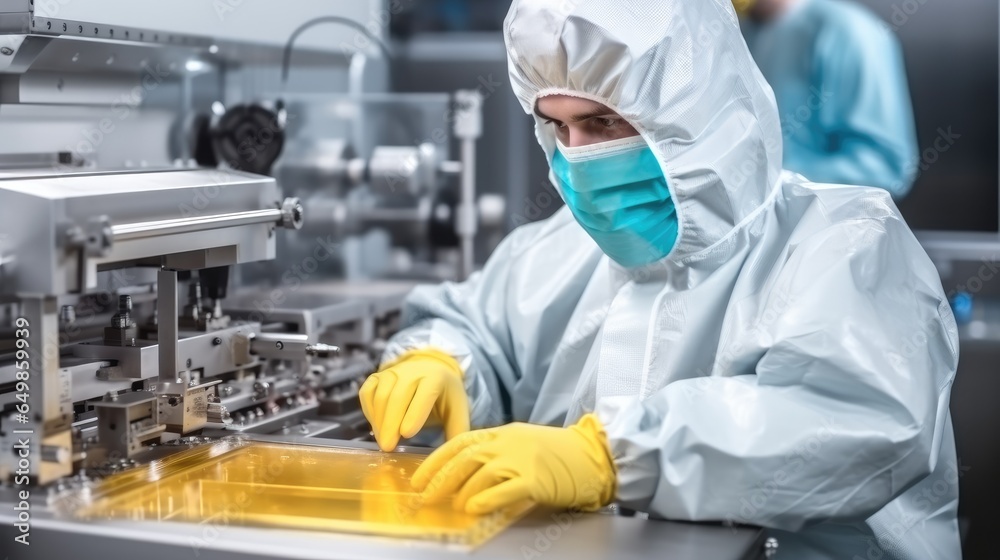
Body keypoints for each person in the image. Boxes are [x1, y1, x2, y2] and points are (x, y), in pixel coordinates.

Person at [359, 1, 961, 558]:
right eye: (557, 128)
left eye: (603, 123)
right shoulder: (559, 247)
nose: (578, 156)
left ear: (693, 112)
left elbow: (856, 423)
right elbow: (477, 328)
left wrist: (611, 458)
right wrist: (439, 363)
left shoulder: (846, 243)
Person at [737, 0, 920, 197]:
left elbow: (883, 168)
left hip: (826, 223)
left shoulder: (849, 31)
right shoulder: (741, 32)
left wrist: (769, 182)